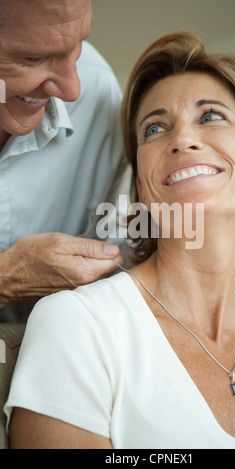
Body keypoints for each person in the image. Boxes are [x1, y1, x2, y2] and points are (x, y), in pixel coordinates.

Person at [4, 32, 235, 449]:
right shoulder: (78, 324)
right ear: (142, 187)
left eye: (211, 116)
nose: (181, 139)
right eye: (155, 128)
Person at [0, 0, 128, 323]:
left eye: (78, 43)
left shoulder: (96, 91)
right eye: (34, 58)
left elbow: (121, 245)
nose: (72, 90)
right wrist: (7, 277)